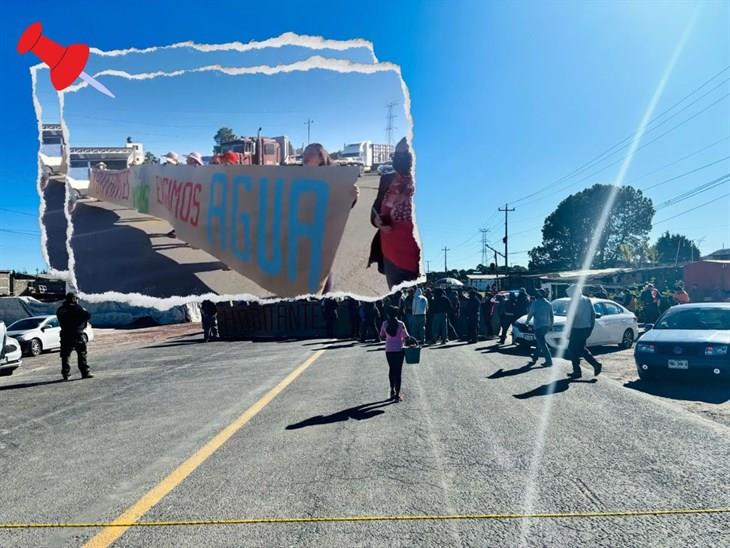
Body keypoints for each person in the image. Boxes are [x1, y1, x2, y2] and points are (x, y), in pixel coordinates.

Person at [368, 138, 420, 289]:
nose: (401, 158)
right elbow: (375, 209)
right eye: (397, 154)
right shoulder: (387, 179)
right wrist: (376, 220)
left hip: (416, 262)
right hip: (391, 259)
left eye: (406, 153)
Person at [565, 285, 602, 378]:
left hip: (576, 328)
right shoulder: (587, 300)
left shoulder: (572, 302)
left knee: (572, 349)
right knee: (581, 349)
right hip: (586, 328)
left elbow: (571, 318)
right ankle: (595, 364)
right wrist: (590, 328)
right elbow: (593, 315)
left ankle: (577, 371)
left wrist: (567, 331)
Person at [56, 292, 93, 381]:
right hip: (77, 334)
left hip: (65, 334)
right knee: (82, 354)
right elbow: (87, 315)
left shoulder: (61, 309)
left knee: (65, 356)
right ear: (73, 299)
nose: (77, 300)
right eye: (75, 299)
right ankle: (85, 372)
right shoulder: (77, 308)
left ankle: (66, 374)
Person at [379, 306, 410, 401]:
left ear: (388, 314)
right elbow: (406, 337)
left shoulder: (384, 324)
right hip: (399, 349)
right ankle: (397, 394)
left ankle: (392, 390)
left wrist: (389, 338)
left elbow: (382, 336)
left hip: (389, 349)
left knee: (391, 370)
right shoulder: (401, 324)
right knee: (398, 372)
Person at [526, 289, 554, 366]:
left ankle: (549, 361)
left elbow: (531, 313)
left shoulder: (535, 303)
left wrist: (527, 321)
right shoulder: (548, 303)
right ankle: (535, 357)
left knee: (542, 343)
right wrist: (551, 325)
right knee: (540, 342)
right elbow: (551, 315)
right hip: (546, 325)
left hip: (538, 325)